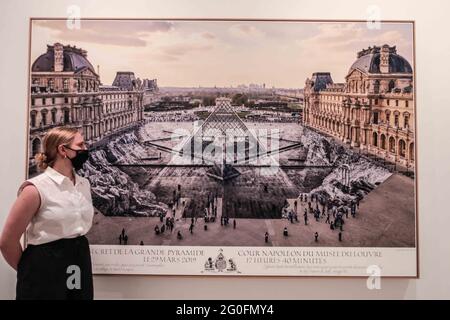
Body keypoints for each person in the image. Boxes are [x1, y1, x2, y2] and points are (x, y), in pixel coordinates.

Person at [0, 127, 94, 300]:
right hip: (45, 263)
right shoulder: (35, 189)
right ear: (62, 150)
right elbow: (7, 242)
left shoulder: (83, 184)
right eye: (80, 145)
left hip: (79, 260)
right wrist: (31, 271)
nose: (85, 149)